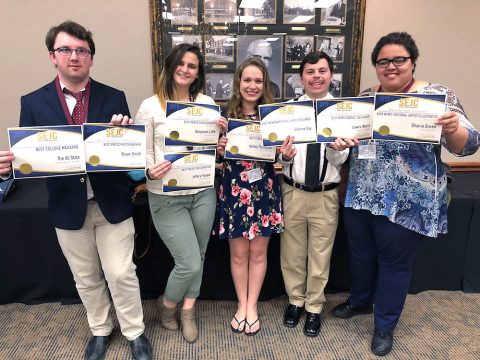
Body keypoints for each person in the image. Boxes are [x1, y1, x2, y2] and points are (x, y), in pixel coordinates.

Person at [0, 21, 153, 360]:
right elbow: (31, 160)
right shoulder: (33, 102)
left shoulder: (114, 97)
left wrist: (122, 137)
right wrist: (11, 167)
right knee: (85, 277)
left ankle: (134, 331)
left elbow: (126, 157)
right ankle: (100, 328)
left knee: (121, 273)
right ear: (52, 56)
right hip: (67, 208)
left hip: (111, 202)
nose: (74, 56)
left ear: (91, 59)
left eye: (81, 50)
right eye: (65, 49)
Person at [331, 32, 480, 356]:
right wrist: (339, 142)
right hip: (360, 195)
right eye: (383, 61)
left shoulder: (437, 96)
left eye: (399, 59)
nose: (391, 66)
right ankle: (360, 301)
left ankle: (384, 326)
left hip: (406, 202)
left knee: (394, 265)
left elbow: (468, 145)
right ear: (376, 66)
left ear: (412, 61)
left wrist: (453, 128)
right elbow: (349, 140)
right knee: (361, 256)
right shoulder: (366, 97)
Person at [133, 43, 226, 343]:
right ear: (171, 66)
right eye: (181, 63)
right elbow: (141, 150)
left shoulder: (208, 103)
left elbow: (211, 149)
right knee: (188, 262)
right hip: (166, 196)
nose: (186, 69)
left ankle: (187, 310)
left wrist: (221, 139)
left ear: (198, 72)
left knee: (198, 255)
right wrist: (149, 172)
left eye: (193, 66)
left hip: (202, 191)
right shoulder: (150, 106)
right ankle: (167, 305)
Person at [216, 58, 296, 336]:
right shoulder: (224, 117)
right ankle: (242, 304)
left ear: (265, 84)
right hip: (236, 191)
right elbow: (210, 155)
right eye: (247, 80)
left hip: (264, 192)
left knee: (259, 253)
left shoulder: (273, 117)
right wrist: (219, 148)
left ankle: (252, 306)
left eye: (258, 81)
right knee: (239, 254)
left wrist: (285, 156)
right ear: (239, 83)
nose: (252, 86)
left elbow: (280, 157)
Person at [278, 51, 355, 338]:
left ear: (331, 75)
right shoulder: (288, 111)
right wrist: (283, 157)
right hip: (293, 191)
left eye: (322, 71)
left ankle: (314, 307)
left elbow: (340, 160)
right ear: (301, 78)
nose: (316, 76)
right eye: (310, 71)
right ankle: (295, 301)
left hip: (325, 194)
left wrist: (336, 150)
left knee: (320, 255)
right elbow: (283, 157)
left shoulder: (341, 111)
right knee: (292, 254)